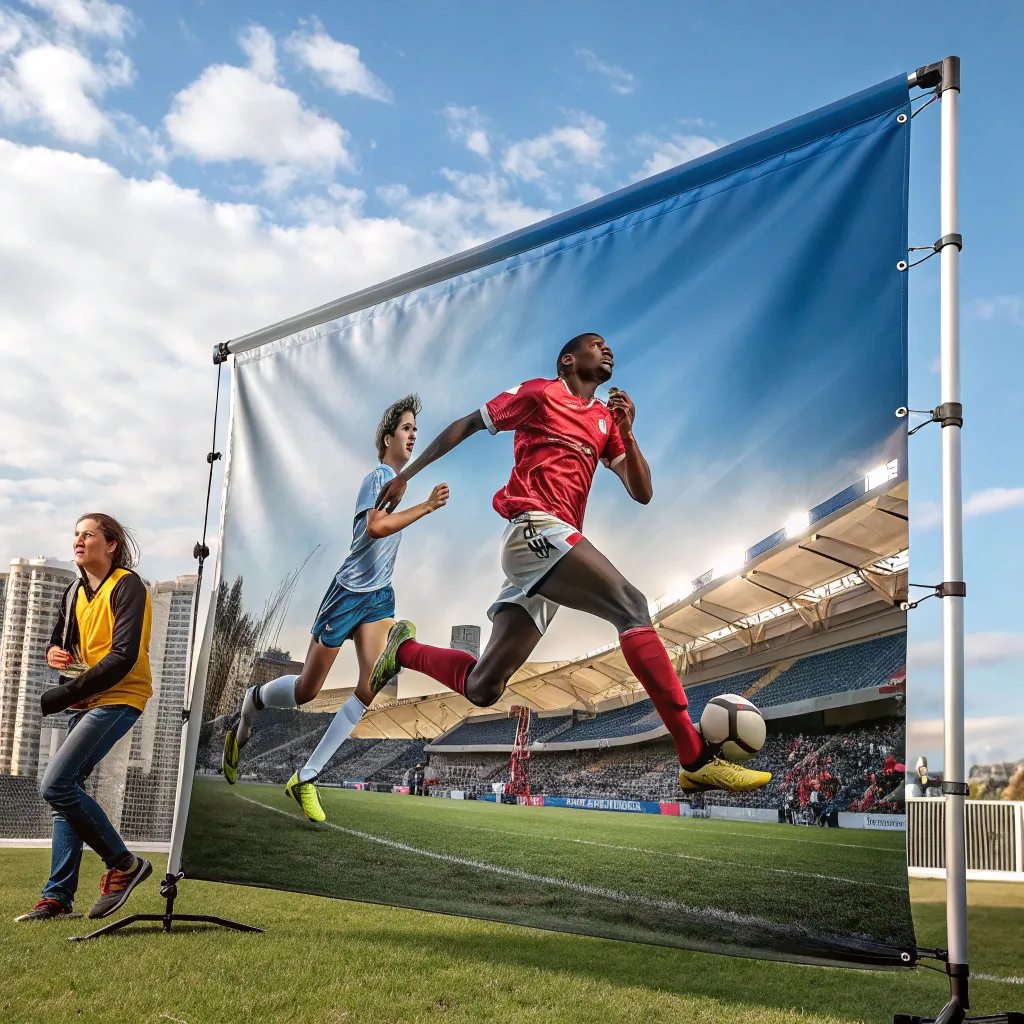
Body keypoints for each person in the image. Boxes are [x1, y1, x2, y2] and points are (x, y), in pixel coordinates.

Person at [367, 333, 771, 794]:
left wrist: (629, 432)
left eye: (608, 346)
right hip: (532, 531)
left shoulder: (605, 419)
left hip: (554, 548)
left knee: (484, 686)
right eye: (596, 344)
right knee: (632, 606)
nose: (608, 349)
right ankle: (694, 756)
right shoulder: (541, 394)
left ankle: (403, 651)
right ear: (568, 360)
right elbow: (467, 424)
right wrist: (407, 476)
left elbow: (642, 492)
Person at [222, 395, 449, 822]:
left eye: (416, 428)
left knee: (371, 684)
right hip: (347, 592)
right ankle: (249, 708)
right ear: (387, 438)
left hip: (379, 596)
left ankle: (307, 776)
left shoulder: (396, 480)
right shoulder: (378, 475)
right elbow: (376, 527)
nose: (414, 434)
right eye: (406, 428)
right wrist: (427, 507)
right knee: (307, 690)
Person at [16, 514, 153, 922]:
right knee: (66, 792)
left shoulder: (129, 585)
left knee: (55, 784)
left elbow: (123, 656)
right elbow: (62, 644)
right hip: (85, 701)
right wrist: (52, 655)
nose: (79, 540)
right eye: (76, 534)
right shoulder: (74, 589)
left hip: (120, 696)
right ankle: (57, 898)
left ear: (110, 545)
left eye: (88, 534)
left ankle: (125, 865)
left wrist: (61, 695)